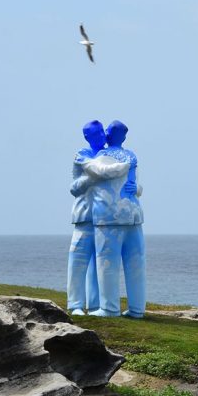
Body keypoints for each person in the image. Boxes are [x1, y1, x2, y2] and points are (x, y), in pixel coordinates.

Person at [76, 120, 146, 318]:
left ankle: (109, 308)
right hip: (134, 215)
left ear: (108, 134)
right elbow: (136, 185)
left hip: (109, 216)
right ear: (124, 137)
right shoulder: (132, 155)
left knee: (108, 262)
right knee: (136, 265)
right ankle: (137, 309)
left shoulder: (101, 156)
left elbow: (98, 174)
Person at [67, 120, 130, 316]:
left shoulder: (108, 155)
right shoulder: (82, 155)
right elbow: (74, 188)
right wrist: (96, 177)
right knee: (78, 261)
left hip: (105, 218)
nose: (101, 138)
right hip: (85, 216)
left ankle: (95, 304)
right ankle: (75, 305)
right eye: (95, 135)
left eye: (101, 133)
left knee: (99, 264)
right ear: (87, 137)